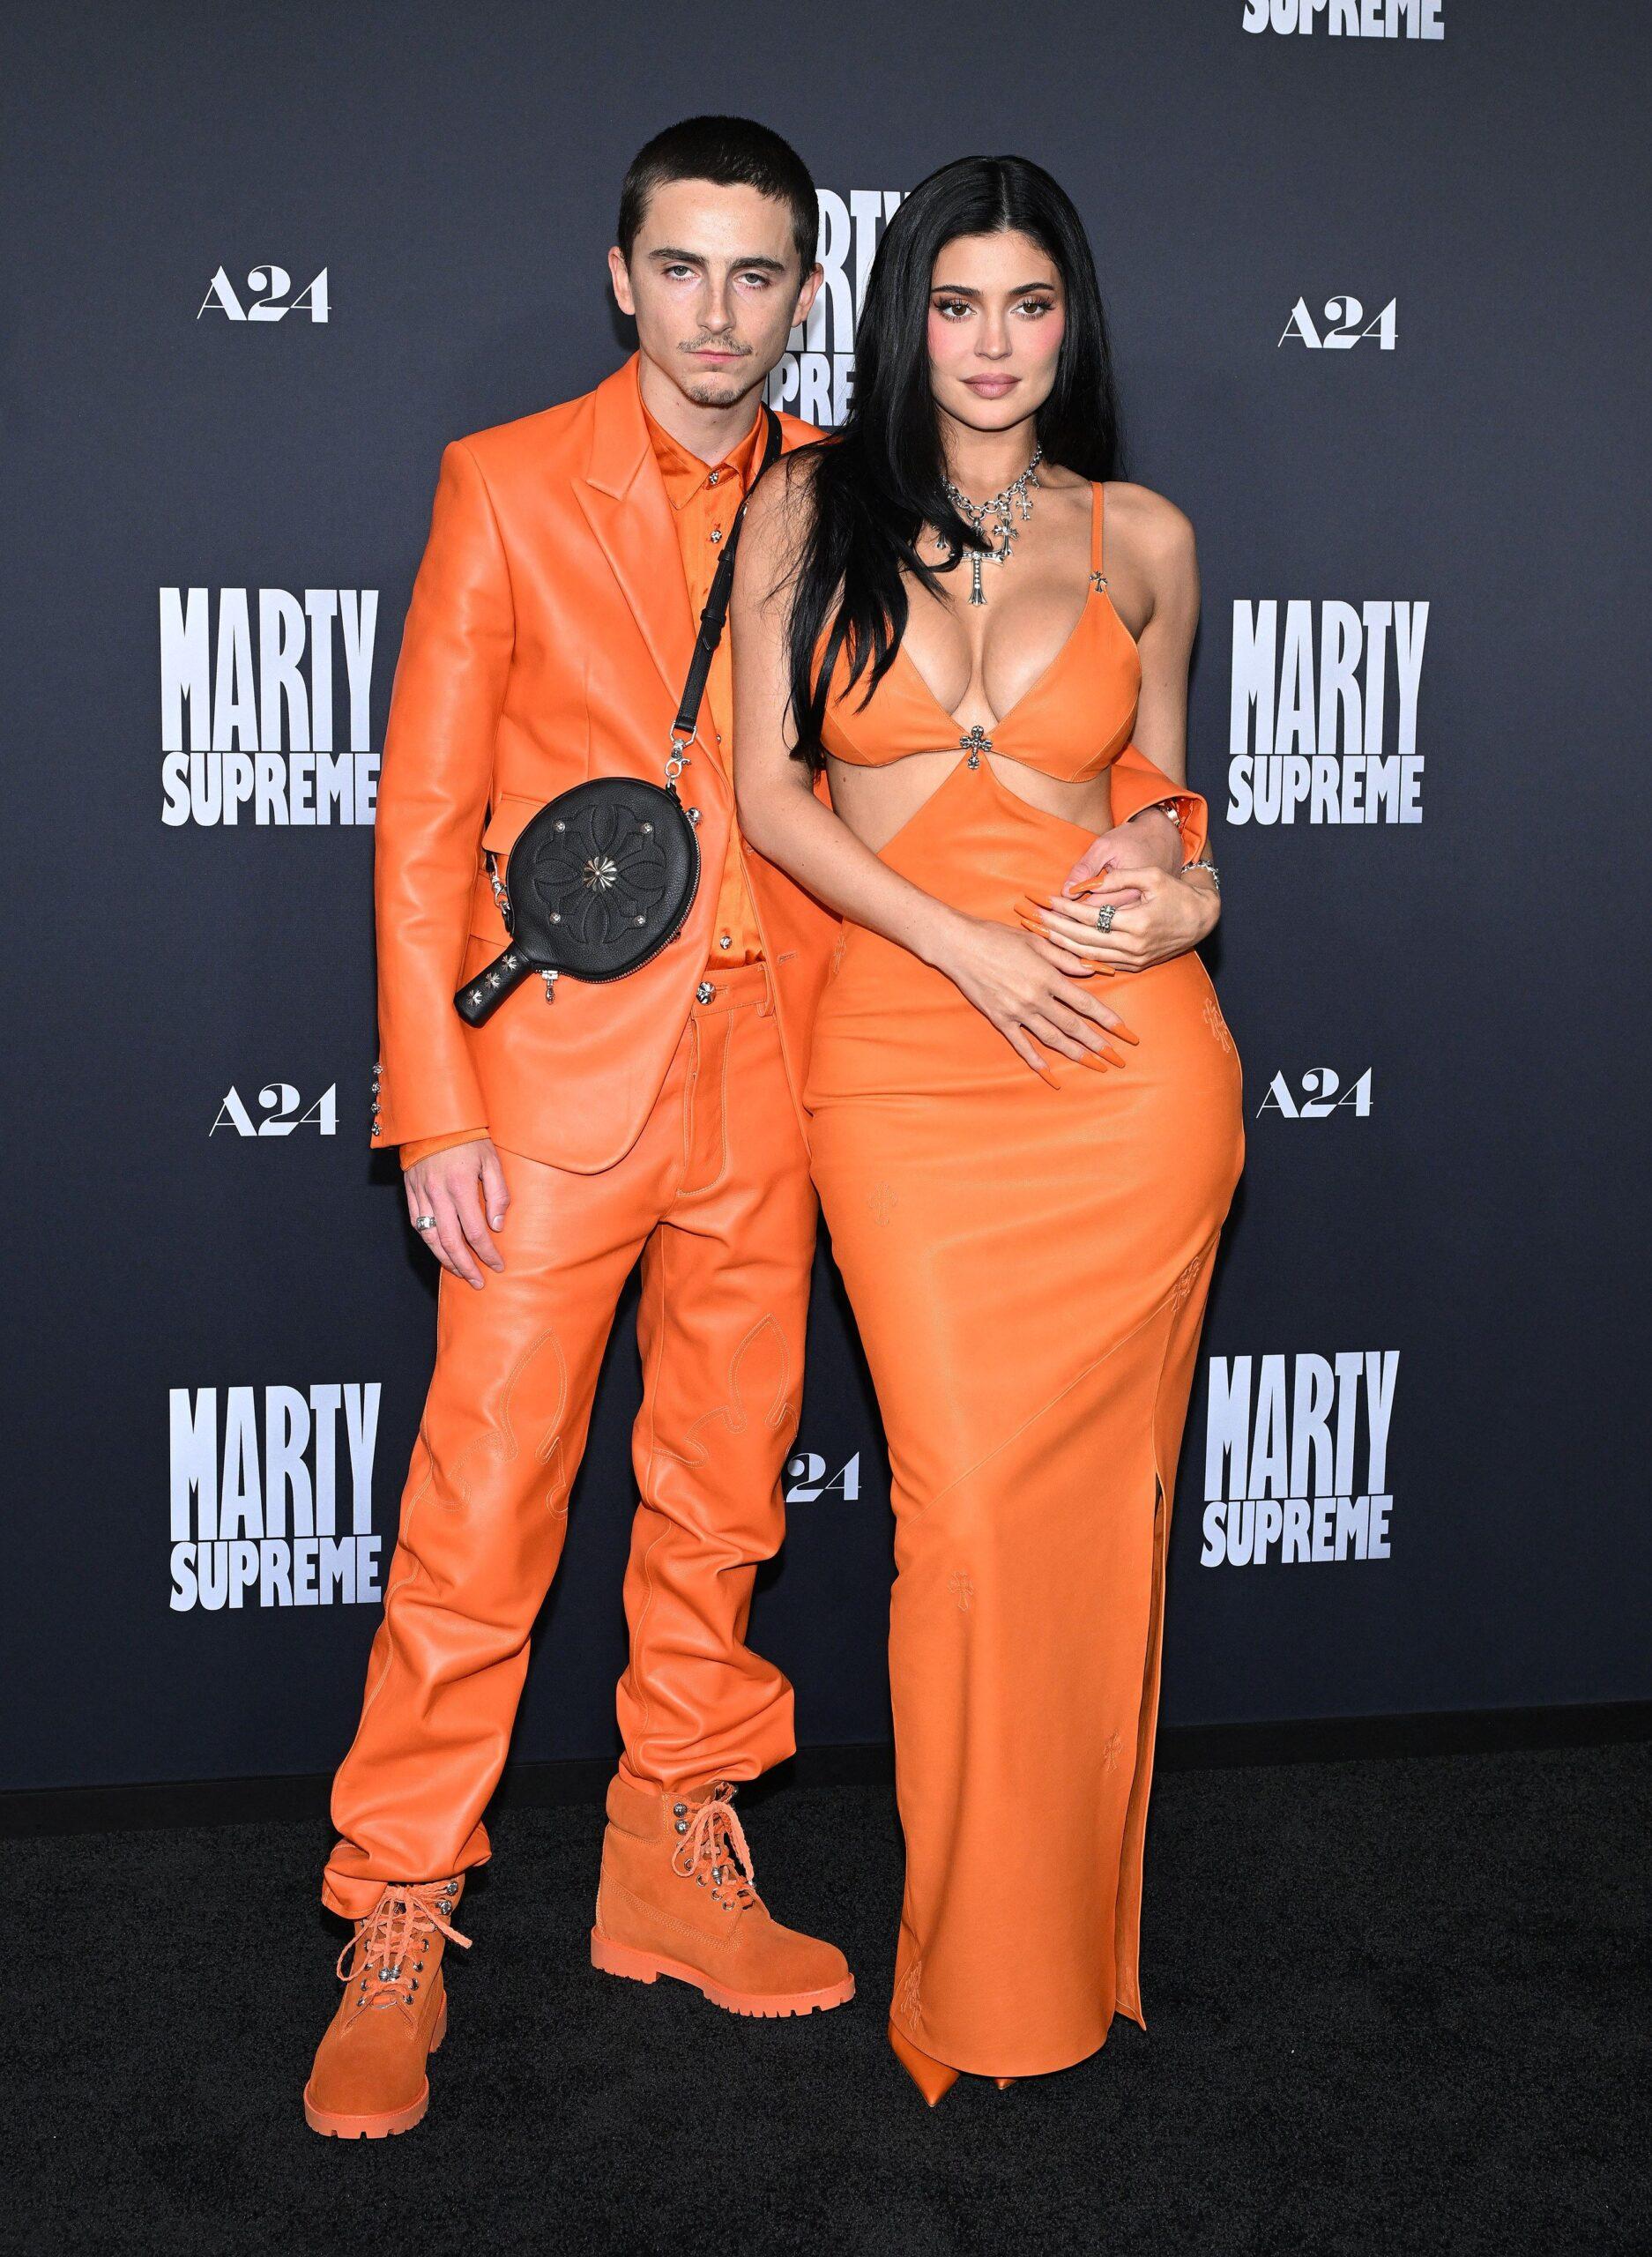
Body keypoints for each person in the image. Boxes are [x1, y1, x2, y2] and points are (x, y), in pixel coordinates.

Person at [303, 116, 853, 2142]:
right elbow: (424, 811)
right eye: (683, 267)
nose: (719, 312)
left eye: (759, 274)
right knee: (480, 1520)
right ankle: (396, 1908)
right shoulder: (506, 483)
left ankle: (667, 1855)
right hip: (548, 1093)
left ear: (807, 292)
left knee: (720, 1501)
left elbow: (955, 726)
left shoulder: (841, 492)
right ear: (621, 275)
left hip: (776, 1078)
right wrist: (430, 1102)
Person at [731, 153, 1245, 2101]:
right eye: (958, 305)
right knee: (956, 1518)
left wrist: (1187, 892)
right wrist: (960, 947)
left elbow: (1168, 804)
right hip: (910, 1060)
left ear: (1071, 321)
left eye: (1029, 306)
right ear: (904, 317)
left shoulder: (1144, 537)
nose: (994, 344)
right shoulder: (805, 506)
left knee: (1089, 1524)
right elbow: (777, 802)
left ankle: (1047, 1953)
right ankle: (977, 1961)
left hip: (1126, 1074)